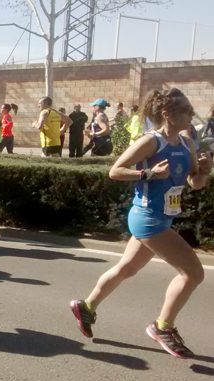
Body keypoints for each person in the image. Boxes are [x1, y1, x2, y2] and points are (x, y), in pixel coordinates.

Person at [69, 88, 212, 359]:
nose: (191, 115)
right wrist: (148, 173)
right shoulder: (152, 141)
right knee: (193, 273)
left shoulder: (186, 143)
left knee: (127, 269)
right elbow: (115, 171)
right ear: (167, 114)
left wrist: (204, 170)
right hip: (147, 218)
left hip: (163, 216)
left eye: (191, 110)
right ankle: (163, 327)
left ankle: (86, 306)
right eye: (185, 110)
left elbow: (195, 183)